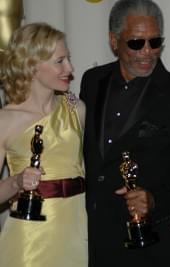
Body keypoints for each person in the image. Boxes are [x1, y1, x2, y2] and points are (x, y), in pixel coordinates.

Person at [79, 0, 170, 266]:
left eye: (155, 41)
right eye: (136, 43)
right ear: (114, 41)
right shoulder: (91, 82)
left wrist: (155, 200)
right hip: (98, 240)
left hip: (157, 246)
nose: (147, 52)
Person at [0, 23, 87, 267]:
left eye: (68, 59)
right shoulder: (5, 120)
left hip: (77, 233)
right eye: (60, 61)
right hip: (29, 240)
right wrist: (17, 182)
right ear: (32, 65)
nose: (70, 69)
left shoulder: (76, 109)